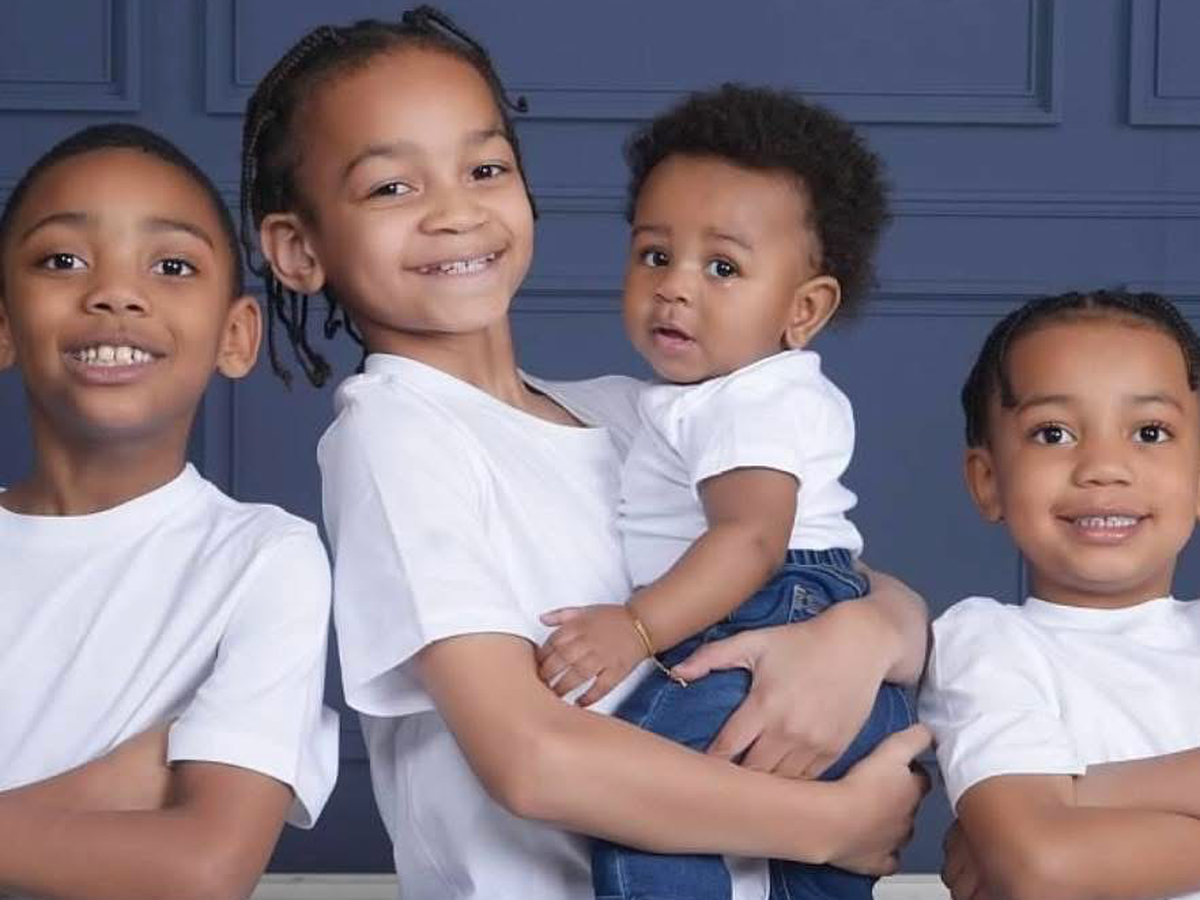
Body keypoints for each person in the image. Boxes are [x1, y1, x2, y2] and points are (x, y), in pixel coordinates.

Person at [244, 8, 930, 900]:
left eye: (484, 169)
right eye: (392, 187)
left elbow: (851, 583)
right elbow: (532, 760)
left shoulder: (637, 411)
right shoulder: (396, 432)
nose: (456, 212)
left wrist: (858, 636)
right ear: (299, 250)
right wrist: (835, 823)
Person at [532, 84, 914, 900]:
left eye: (723, 267)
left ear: (803, 309)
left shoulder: (747, 401)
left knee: (643, 793)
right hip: (817, 621)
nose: (675, 287)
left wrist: (637, 627)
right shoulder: (714, 398)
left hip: (766, 613)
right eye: (654, 255)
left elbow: (750, 540)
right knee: (801, 868)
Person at [0, 123, 338, 900]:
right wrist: (112, 784)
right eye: (62, 260)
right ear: (4, 324)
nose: (117, 294)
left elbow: (206, 868)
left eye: (172, 266)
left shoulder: (265, 558)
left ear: (236, 335)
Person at [919, 289, 1200, 900]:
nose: (1104, 466)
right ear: (988, 481)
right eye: (1053, 434)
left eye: (1150, 431)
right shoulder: (986, 640)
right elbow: (1044, 865)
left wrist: (1074, 794)